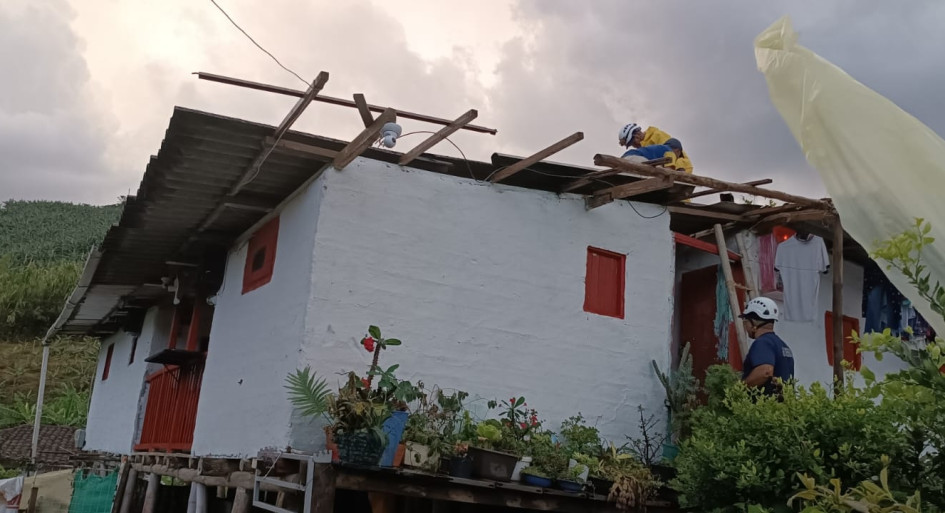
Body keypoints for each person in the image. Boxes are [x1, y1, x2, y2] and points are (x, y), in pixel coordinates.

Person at [739, 297, 794, 397]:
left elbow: (766, 371)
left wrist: (740, 389)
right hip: (783, 408)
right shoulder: (783, 346)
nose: (745, 325)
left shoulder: (762, 343)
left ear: (753, 323)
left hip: (765, 409)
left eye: (745, 321)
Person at [618, 123, 694, 172]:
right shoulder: (643, 148)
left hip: (681, 169)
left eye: (632, 143)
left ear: (636, 136)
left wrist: (679, 170)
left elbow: (674, 154)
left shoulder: (657, 136)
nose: (634, 146)